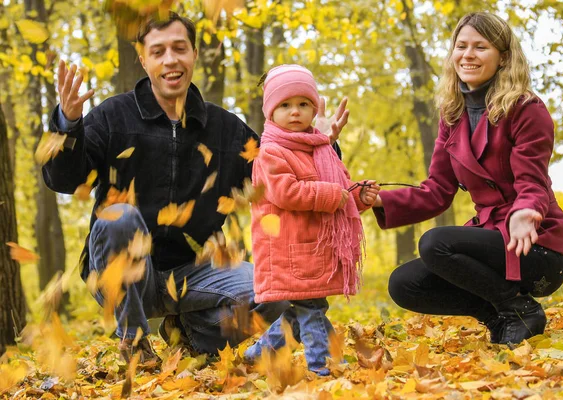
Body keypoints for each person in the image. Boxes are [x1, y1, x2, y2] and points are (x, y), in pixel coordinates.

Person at [42, 12, 349, 362]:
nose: (170, 59)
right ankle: (134, 340)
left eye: (179, 48)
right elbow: (63, 180)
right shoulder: (113, 116)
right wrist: (67, 125)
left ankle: (192, 335)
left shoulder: (225, 129)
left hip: (195, 272)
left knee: (276, 292)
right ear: (143, 60)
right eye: (158, 52)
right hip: (122, 273)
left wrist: (320, 143)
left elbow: (281, 178)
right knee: (118, 216)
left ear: (194, 55)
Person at [372, 12, 563, 345]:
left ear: (503, 57)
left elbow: (532, 179)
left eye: (480, 47)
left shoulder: (526, 109)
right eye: (461, 46)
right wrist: (379, 200)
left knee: (435, 243)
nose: (468, 55)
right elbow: (437, 191)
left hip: (536, 245)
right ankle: (500, 316)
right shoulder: (452, 115)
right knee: (404, 283)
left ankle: (520, 308)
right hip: (492, 239)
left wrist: (526, 211)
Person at [243, 65, 380, 376]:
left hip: (313, 249)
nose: (295, 112)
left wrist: (359, 197)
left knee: (299, 310)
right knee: (312, 308)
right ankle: (325, 367)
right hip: (288, 250)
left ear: (314, 108)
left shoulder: (321, 150)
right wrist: (333, 194)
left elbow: (339, 194)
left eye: (304, 105)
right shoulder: (271, 153)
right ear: (270, 111)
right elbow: (286, 193)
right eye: (285, 105)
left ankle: (259, 353)